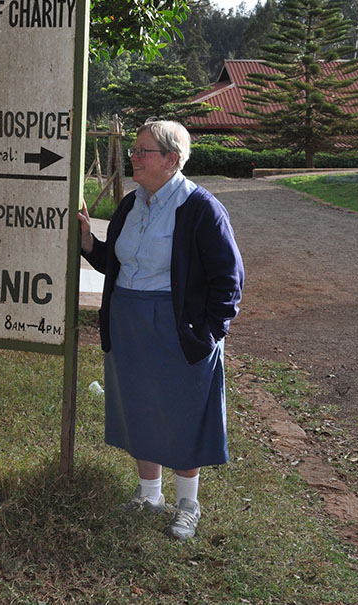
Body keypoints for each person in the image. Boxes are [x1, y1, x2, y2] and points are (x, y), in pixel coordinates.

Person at [78, 120, 244, 541]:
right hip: (128, 324)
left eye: (142, 151)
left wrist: (208, 334)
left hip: (177, 327)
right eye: (133, 150)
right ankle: (150, 494)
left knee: (181, 413)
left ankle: (188, 504)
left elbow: (229, 280)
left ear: (171, 160)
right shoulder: (130, 205)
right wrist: (87, 244)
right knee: (140, 407)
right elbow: (119, 266)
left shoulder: (201, 209)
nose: (133, 157)